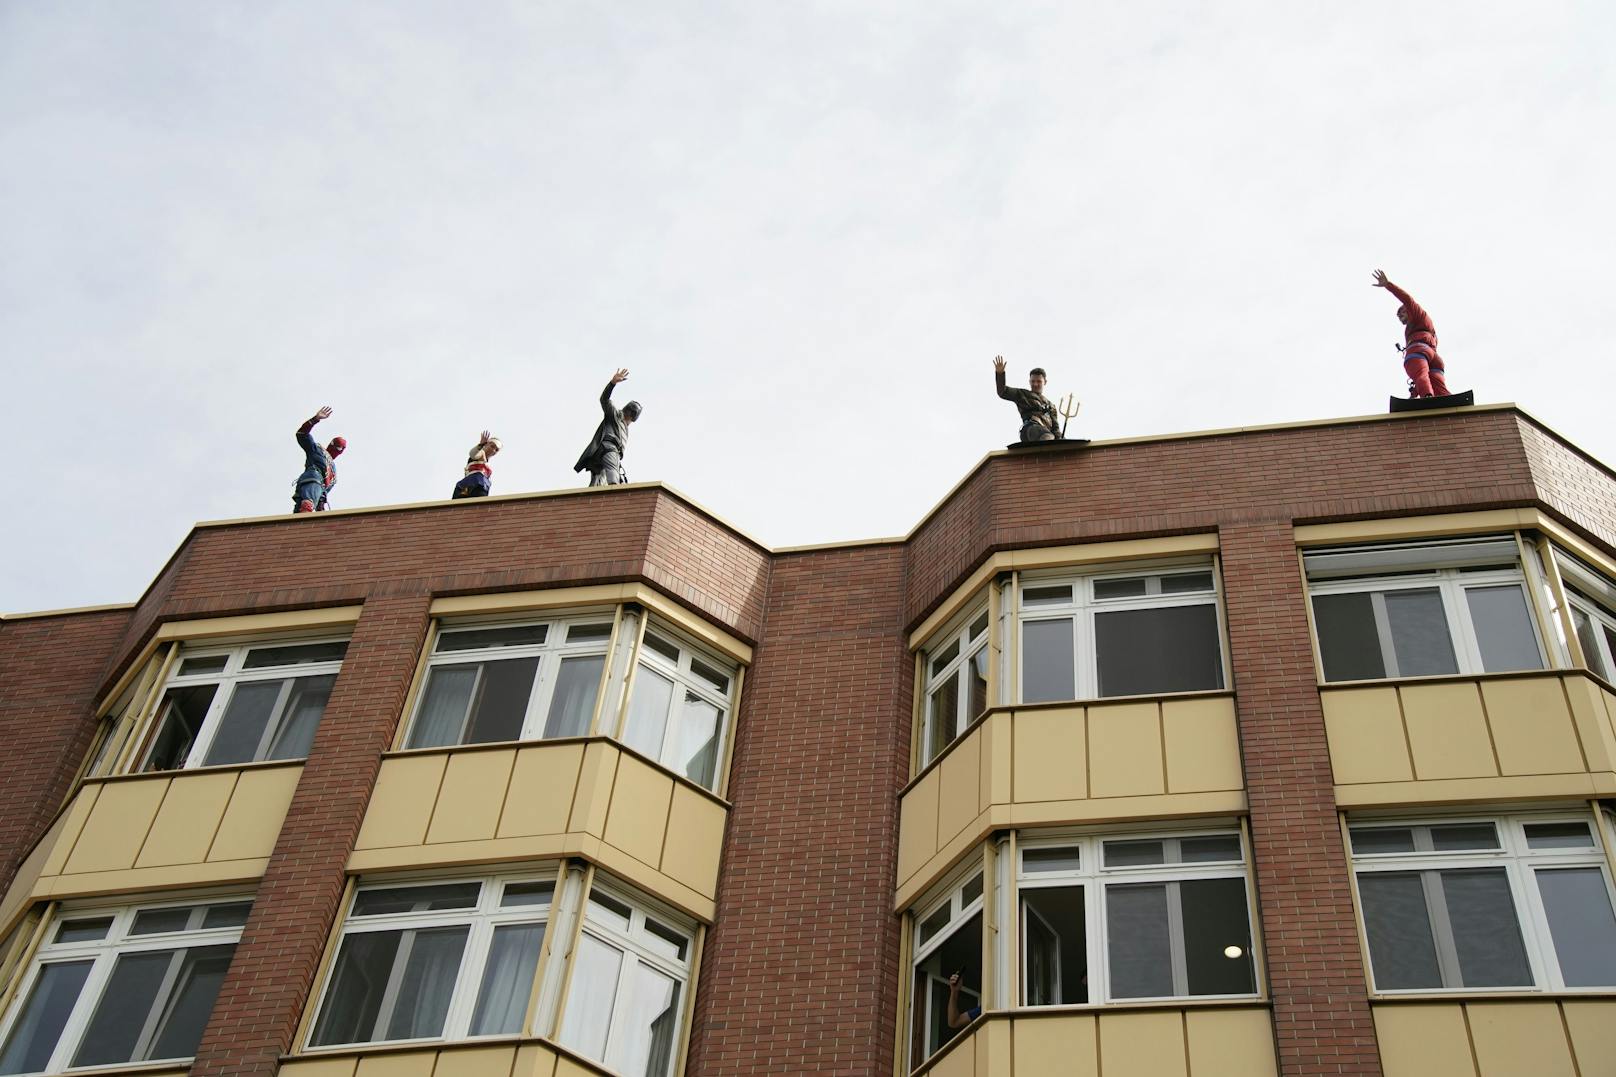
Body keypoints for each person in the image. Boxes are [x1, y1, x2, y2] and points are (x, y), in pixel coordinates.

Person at [1372, 269, 1449, 398]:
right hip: (1434, 358)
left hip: (1419, 351)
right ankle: (1444, 398)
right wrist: (1413, 395)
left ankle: (1427, 397)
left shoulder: (1418, 314)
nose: (1400, 317)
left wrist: (1388, 285)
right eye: (1398, 316)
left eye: (1401, 313)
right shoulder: (1428, 331)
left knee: (1420, 374)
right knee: (1435, 382)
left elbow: (1407, 299)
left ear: (1409, 310)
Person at [573, 368, 642, 486]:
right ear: (631, 415)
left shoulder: (625, 428)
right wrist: (612, 383)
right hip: (608, 449)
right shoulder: (615, 414)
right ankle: (615, 494)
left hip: (609, 455)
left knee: (598, 482)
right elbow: (604, 399)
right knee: (613, 478)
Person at [994, 356, 1060, 443]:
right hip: (1030, 430)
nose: (1035, 384)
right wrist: (1000, 374)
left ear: (1045, 382)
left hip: (1047, 432)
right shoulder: (1022, 394)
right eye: (1033, 381)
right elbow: (1003, 392)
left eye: (1039, 381)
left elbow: (1056, 429)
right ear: (1029, 382)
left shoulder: (1051, 406)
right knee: (1047, 436)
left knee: (1053, 438)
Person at [292, 405, 345, 514]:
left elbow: (326, 490)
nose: (338, 450)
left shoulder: (333, 471)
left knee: (299, 519)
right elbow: (302, 435)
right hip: (313, 480)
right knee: (306, 507)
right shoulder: (318, 450)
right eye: (337, 446)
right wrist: (315, 419)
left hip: (319, 492)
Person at [451, 430, 502, 499]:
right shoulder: (480, 453)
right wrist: (480, 445)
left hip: (483, 486)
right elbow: (473, 454)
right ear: (486, 444)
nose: (493, 450)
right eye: (492, 446)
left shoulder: (487, 464)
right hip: (472, 484)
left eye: (496, 450)